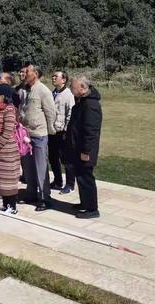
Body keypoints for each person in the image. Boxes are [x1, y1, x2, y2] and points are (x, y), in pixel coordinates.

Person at [20, 64, 56, 211]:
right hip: (26, 135)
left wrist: (50, 130)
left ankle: (44, 198)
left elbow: (51, 112)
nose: (24, 74)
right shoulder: (24, 90)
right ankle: (31, 193)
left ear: (35, 74)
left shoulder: (43, 91)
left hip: (39, 135)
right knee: (28, 167)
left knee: (41, 167)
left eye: (27, 72)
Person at [68, 75, 103, 219]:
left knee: (86, 178)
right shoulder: (82, 101)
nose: (71, 89)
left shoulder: (90, 105)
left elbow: (91, 131)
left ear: (83, 88)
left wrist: (86, 151)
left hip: (85, 149)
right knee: (80, 176)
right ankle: (85, 203)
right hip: (78, 147)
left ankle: (92, 209)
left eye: (73, 87)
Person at [0, 84, 20, 214]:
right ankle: (6, 205)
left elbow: (7, 132)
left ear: (3, 96)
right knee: (1, 180)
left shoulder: (10, 110)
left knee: (9, 180)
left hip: (7, 151)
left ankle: (12, 207)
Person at [50, 70, 75, 193]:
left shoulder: (68, 94)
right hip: (52, 131)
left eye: (56, 76)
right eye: (53, 76)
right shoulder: (52, 93)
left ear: (64, 80)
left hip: (62, 132)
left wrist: (66, 130)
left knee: (66, 159)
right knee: (53, 158)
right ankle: (57, 181)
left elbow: (70, 113)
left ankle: (70, 184)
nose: (53, 78)